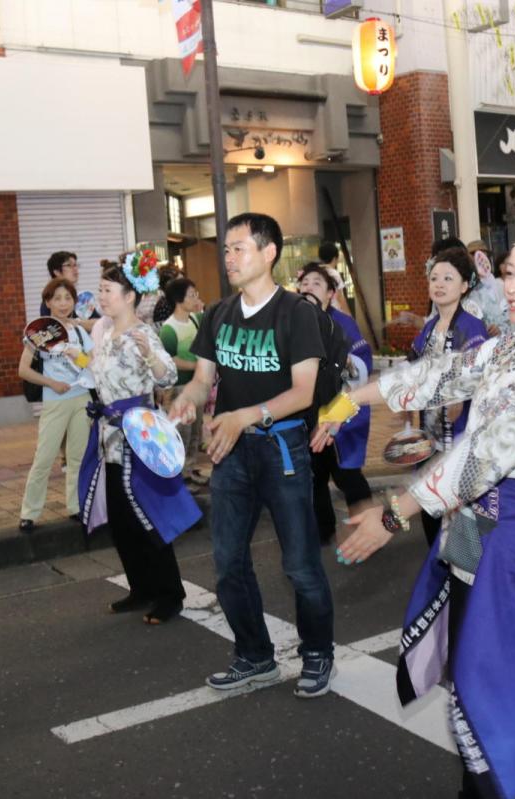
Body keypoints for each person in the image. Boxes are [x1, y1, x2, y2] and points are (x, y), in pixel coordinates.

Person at [315, 198, 515, 798]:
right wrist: (348, 400)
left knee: (491, 698)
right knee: (475, 688)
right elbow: (438, 374)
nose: (510, 284)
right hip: (473, 536)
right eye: (507, 271)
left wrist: (392, 512)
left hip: (512, 543)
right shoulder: (511, 344)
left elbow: (478, 458)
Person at [170, 212, 335, 699]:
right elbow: (203, 381)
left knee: (300, 564)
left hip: (282, 449)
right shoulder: (218, 315)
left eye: (238, 248)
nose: (229, 258)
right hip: (231, 453)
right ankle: (254, 656)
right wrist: (187, 401)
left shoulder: (297, 313)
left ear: (269, 253)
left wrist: (245, 415)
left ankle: (318, 651)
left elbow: (304, 393)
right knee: (227, 561)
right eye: (226, 249)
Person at [79, 253, 199, 626]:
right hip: (108, 435)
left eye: (108, 290)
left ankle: (170, 594)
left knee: (147, 515)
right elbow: (97, 379)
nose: (102, 295)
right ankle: (141, 587)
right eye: (100, 289)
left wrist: (152, 356)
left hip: (139, 435)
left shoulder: (142, 333)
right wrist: (76, 358)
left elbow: (165, 379)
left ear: (130, 296)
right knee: (121, 519)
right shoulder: (104, 332)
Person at [408, 249, 488, 547]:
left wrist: (459, 395)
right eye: (434, 278)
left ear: (465, 286)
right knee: (430, 503)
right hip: (430, 432)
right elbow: (413, 370)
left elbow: (481, 374)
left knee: (457, 508)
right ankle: (441, 569)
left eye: (448, 278)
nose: (439, 284)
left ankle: (462, 574)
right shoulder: (429, 328)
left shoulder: (471, 326)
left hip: (459, 433)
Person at [297, 263, 373, 545]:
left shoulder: (343, 324)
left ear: (330, 293)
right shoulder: (293, 323)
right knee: (314, 477)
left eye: (316, 283)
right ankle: (322, 530)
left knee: (347, 475)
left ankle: (369, 527)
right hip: (307, 415)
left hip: (341, 415)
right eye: (304, 283)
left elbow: (362, 367)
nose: (308, 288)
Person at [18, 277, 94, 533]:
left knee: (77, 458)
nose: (63, 304)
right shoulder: (40, 331)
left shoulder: (81, 332)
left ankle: (76, 506)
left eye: (68, 298)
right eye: (57, 298)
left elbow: (91, 364)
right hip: (55, 401)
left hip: (81, 397)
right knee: (45, 457)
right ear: (48, 302)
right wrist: (51, 382)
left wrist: (80, 358)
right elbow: (23, 370)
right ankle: (29, 513)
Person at [158, 276, 207, 484]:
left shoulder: (195, 319)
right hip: (180, 387)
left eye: (196, 294)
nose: (195, 298)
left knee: (196, 431)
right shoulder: (169, 329)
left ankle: (190, 467)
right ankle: (179, 474)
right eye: (191, 295)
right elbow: (170, 360)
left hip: (197, 385)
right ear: (179, 299)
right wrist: (198, 366)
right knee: (183, 432)